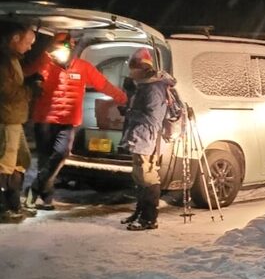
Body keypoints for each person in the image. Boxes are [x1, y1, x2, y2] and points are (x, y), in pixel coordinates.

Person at [25, 33, 128, 210]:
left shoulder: (83, 67)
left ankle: (34, 189)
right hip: (45, 119)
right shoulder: (46, 63)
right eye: (57, 45)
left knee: (61, 154)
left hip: (69, 121)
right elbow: (26, 73)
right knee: (45, 159)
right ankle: (46, 199)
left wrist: (123, 98)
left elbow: (103, 84)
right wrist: (42, 59)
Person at [119, 47, 176, 231]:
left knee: (147, 176)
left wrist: (130, 112)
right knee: (138, 175)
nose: (131, 72)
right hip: (140, 136)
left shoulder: (153, 87)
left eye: (132, 68)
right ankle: (141, 211)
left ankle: (150, 218)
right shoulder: (144, 85)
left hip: (147, 137)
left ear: (141, 67)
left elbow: (153, 117)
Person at [0, 22, 40, 223]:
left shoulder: (12, 59)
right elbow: (7, 92)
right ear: (15, 38)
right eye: (28, 42)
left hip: (14, 119)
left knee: (22, 161)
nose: (30, 46)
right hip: (7, 120)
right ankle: (6, 206)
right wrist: (31, 89)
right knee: (5, 166)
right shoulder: (4, 61)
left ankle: (13, 203)